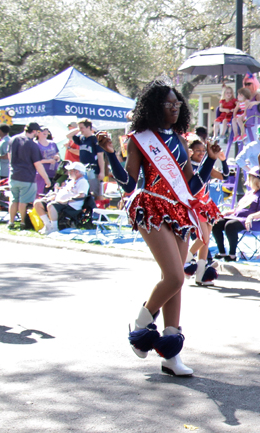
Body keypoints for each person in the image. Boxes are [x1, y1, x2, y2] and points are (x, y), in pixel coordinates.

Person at [99, 79, 224, 377]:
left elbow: (193, 185)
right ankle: (141, 325)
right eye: (168, 104)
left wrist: (210, 158)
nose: (174, 108)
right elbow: (129, 183)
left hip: (179, 210)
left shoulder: (180, 140)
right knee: (172, 277)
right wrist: (109, 153)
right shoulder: (140, 139)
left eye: (177, 104)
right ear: (154, 107)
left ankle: (171, 353)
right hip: (152, 206)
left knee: (178, 280)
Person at [184, 138, 228, 285]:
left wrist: (223, 160)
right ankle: (183, 262)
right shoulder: (186, 166)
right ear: (190, 151)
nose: (202, 153)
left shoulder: (206, 166)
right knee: (202, 237)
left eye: (203, 150)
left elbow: (225, 176)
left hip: (206, 205)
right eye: (198, 150)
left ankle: (201, 275)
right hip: (194, 205)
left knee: (206, 240)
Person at [212, 167, 260, 260]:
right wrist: (227, 212)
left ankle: (232, 255)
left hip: (254, 222)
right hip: (238, 218)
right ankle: (222, 252)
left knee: (230, 225)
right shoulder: (250, 192)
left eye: (250, 177)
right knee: (217, 223)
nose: (247, 179)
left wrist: (251, 216)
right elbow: (239, 209)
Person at [8, 122, 51, 229]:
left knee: (14, 200)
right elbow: (37, 164)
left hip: (13, 175)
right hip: (27, 177)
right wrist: (46, 179)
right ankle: (23, 223)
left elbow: (9, 156)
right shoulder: (32, 145)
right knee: (23, 201)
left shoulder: (13, 139)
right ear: (35, 131)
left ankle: (11, 222)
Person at [33, 162, 89, 233]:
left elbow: (82, 195)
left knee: (51, 205)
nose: (68, 172)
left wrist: (67, 200)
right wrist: (53, 196)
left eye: (70, 171)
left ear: (77, 172)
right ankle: (47, 226)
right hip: (59, 202)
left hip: (70, 205)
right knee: (38, 203)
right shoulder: (71, 181)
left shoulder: (83, 182)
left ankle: (54, 228)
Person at [67, 119, 106, 203]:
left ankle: (99, 210)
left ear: (88, 127)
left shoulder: (95, 139)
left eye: (82, 127)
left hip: (93, 169)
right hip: (83, 170)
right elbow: (68, 135)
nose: (80, 130)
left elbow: (100, 156)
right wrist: (78, 129)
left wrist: (102, 172)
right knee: (85, 191)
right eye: (79, 128)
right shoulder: (81, 138)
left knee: (95, 192)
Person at [34, 128, 60, 197]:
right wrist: (49, 161)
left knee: (53, 193)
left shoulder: (53, 143)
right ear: (38, 133)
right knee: (41, 194)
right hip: (41, 173)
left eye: (46, 131)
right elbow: (35, 160)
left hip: (54, 172)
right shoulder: (35, 144)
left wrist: (56, 157)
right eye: (43, 131)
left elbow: (58, 155)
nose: (45, 132)